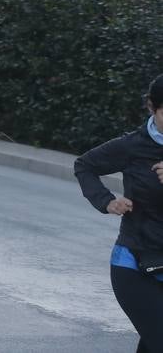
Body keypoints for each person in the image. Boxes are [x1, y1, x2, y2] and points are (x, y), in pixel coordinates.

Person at [74, 73, 163, 352]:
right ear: (151, 107)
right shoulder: (133, 146)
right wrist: (106, 201)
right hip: (136, 264)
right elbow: (84, 165)